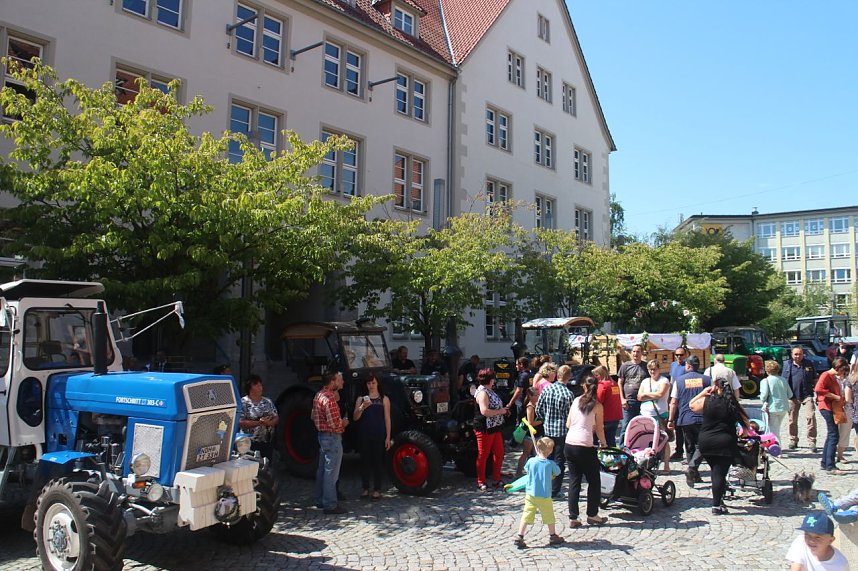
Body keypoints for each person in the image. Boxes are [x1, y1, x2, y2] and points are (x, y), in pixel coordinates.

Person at [689, 377, 749, 515]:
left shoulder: (707, 400)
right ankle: (716, 505)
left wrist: (703, 393)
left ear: (715, 387)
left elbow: (691, 405)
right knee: (719, 474)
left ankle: (719, 500)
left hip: (706, 442)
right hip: (725, 442)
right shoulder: (733, 404)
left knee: (715, 472)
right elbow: (745, 425)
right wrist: (741, 431)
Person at [564, 376, 608, 528]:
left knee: (574, 481)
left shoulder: (576, 401)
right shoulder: (597, 405)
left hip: (569, 444)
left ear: (584, 386)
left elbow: (568, 423)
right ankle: (592, 514)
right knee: (594, 481)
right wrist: (604, 443)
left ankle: (573, 517)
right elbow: (600, 429)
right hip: (584, 445)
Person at [668, 355, 711, 488]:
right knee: (703, 445)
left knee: (690, 445)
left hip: (685, 417)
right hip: (703, 417)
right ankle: (693, 471)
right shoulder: (707, 379)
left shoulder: (679, 381)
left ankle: (692, 472)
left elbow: (674, 402)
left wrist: (671, 419)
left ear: (687, 365)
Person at [514, 437, 565, 549]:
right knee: (549, 515)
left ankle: (520, 536)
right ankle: (553, 536)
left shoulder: (531, 461)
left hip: (530, 494)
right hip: (544, 495)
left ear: (537, 448)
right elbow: (558, 471)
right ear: (551, 451)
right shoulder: (550, 464)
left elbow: (527, 469)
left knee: (526, 514)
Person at [535, 364, 575, 498]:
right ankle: (554, 490)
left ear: (558, 375)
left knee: (545, 458)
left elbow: (538, 409)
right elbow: (569, 415)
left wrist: (545, 419)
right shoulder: (568, 394)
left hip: (548, 429)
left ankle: (544, 486)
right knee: (558, 461)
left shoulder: (547, 389)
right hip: (561, 432)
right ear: (569, 377)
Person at [312, 371, 349, 514]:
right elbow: (334, 424)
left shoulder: (319, 395)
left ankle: (321, 499)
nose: (342, 382)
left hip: (322, 436)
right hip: (332, 437)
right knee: (331, 473)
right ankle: (330, 504)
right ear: (332, 382)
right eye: (340, 380)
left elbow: (314, 416)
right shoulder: (329, 399)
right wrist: (344, 423)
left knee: (322, 470)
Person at [352, 374, 391, 500]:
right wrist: (362, 407)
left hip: (379, 433)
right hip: (364, 433)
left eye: (373, 383)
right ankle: (365, 488)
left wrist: (388, 436)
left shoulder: (384, 399)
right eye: (369, 383)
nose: (371, 385)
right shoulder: (361, 399)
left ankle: (377, 489)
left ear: (377, 383)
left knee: (378, 461)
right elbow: (355, 417)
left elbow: (387, 418)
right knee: (365, 461)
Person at [473, 368, 508, 491]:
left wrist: (502, 411)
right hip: (485, 428)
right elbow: (484, 411)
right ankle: (481, 481)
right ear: (491, 379)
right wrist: (501, 411)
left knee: (499, 453)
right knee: (483, 455)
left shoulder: (489, 390)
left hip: (495, 426)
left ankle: (496, 479)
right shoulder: (483, 393)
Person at [637, 360, 672, 473]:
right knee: (648, 439)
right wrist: (651, 396)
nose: (652, 371)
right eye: (650, 369)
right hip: (645, 414)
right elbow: (639, 396)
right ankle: (648, 463)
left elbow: (660, 394)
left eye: (654, 369)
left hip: (660, 414)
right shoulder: (645, 381)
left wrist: (646, 395)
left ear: (659, 369)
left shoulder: (664, 380)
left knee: (663, 439)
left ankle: (666, 464)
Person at [785, 511, 850, 571]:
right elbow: (796, 567)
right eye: (807, 535)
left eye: (818, 537)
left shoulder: (840, 565)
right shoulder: (800, 542)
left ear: (830, 540)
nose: (811, 541)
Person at [815, 358, 848, 474]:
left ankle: (825, 463)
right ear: (839, 368)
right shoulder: (826, 375)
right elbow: (818, 389)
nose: (843, 372)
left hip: (830, 407)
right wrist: (835, 396)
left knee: (831, 435)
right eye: (843, 370)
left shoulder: (833, 377)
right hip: (826, 407)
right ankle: (830, 466)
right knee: (834, 435)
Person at [784, 347, 818, 452]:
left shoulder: (809, 364)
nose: (798, 356)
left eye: (800, 354)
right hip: (792, 396)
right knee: (792, 420)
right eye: (796, 354)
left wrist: (818, 393)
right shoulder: (787, 365)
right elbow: (783, 381)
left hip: (807, 395)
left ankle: (812, 440)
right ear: (792, 355)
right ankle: (793, 440)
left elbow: (815, 379)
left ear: (803, 354)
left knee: (811, 416)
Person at [238, 374, 279, 461]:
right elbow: (240, 422)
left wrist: (269, 423)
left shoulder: (267, 401)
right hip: (250, 443)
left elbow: (276, 417)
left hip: (267, 442)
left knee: (267, 467)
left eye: (260, 385)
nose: (260, 387)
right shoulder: (243, 403)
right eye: (257, 385)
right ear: (250, 388)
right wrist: (259, 423)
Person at [618, 344, 648, 439]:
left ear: (642, 353)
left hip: (642, 401)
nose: (636, 353)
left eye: (638, 351)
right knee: (626, 425)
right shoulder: (625, 366)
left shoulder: (646, 366)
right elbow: (620, 383)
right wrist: (622, 399)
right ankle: (623, 448)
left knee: (640, 426)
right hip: (628, 401)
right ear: (631, 353)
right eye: (634, 351)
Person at [760, 360, 793, 445]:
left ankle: (777, 448)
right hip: (784, 407)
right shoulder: (783, 380)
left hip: (772, 407)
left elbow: (763, 396)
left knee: (773, 430)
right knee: (777, 428)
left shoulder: (765, 381)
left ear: (767, 370)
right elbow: (790, 394)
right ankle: (773, 446)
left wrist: (762, 400)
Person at [516, 387, 544, 478]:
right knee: (526, 453)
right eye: (536, 395)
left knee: (538, 454)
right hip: (530, 435)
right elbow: (531, 423)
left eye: (538, 394)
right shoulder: (530, 407)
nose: (538, 396)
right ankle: (518, 473)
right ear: (530, 396)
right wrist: (542, 421)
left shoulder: (536, 405)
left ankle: (537, 473)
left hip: (537, 434)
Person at [594, 365, 622, 447]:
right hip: (616, 416)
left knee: (597, 439)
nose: (595, 378)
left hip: (605, 417)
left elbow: (598, 401)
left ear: (601, 374)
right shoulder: (614, 384)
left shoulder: (602, 385)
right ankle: (614, 458)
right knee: (611, 440)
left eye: (596, 375)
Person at [669, 347, 688, 461]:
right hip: (675, 399)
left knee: (686, 427)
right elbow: (672, 381)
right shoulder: (673, 365)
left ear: (685, 355)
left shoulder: (687, 367)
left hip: (684, 400)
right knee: (677, 427)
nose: (679, 357)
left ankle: (689, 451)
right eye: (677, 355)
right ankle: (679, 450)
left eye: (681, 355)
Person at [836, 366, 853, 464]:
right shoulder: (832, 378)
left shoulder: (849, 379)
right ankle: (831, 454)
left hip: (848, 409)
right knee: (834, 432)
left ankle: (840, 455)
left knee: (845, 432)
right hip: (836, 407)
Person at [507, 357, 532, 424]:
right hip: (528, 402)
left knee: (521, 423)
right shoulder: (530, 374)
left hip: (521, 402)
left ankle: (519, 434)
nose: (516, 366)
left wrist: (510, 404)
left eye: (517, 364)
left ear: (521, 364)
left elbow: (519, 391)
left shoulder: (522, 376)